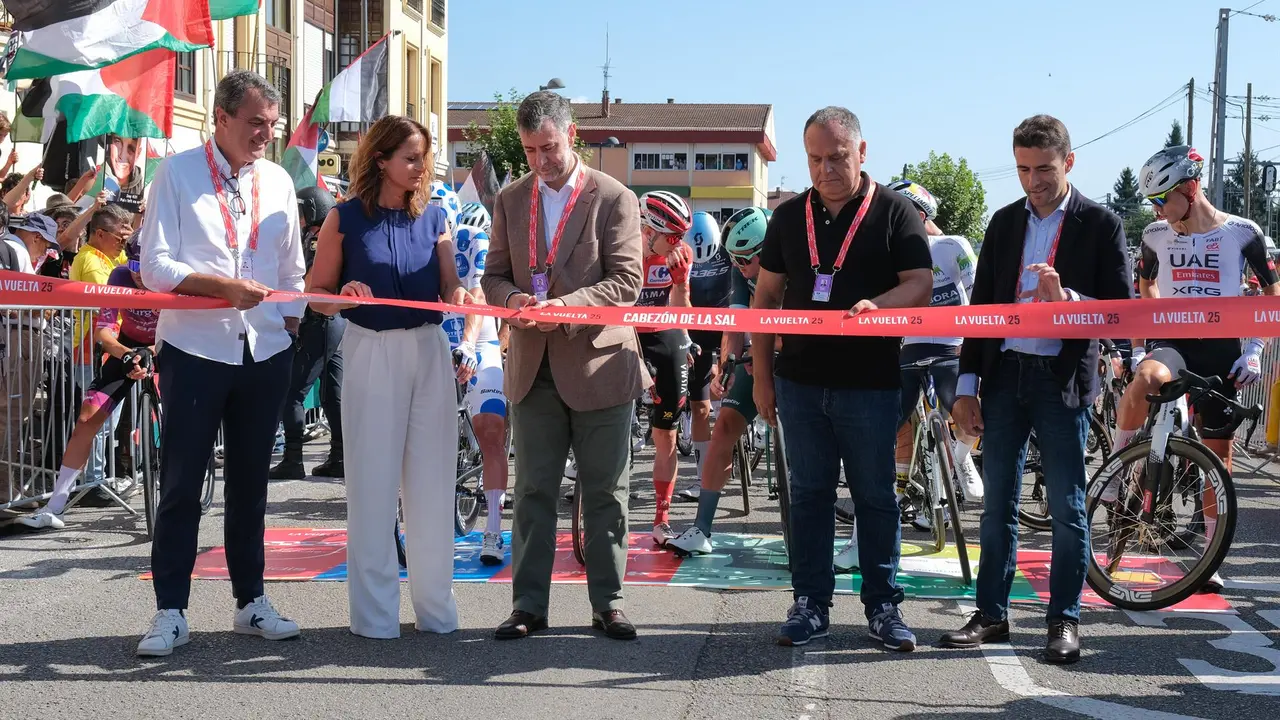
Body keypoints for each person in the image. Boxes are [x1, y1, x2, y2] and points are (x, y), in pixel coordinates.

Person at [943, 114, 1132, 664]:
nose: (1033, 181)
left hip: (1061, 383)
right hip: (1003, 379)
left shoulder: (1102, 224)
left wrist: (1065, 301)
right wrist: (967, 386)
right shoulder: (1003, 223)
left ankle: (1063, 621)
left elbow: (1120, 315)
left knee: (1070, 507)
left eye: (1043, 169)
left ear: (1069, 162)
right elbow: (981, 311)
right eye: (1023, 169)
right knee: (996, 504)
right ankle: (993, 615)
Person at [137, 70, 306, 657]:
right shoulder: (177, 172)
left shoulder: (280, 180)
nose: (266, 133)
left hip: (264, 353)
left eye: (272, 123)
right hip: (196, 351)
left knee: (251, 488)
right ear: (222, 118)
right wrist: (218, 288)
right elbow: (153, 266)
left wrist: (291, 325)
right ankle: (170, 611)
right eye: (256, 122)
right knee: (182, 484)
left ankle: (251, 602)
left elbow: (291, 272)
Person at [752, 106, 933, 649]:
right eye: (814, 159)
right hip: (799, 383)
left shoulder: (897, 212)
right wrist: (763, 379)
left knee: (875, 496)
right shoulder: (787, 218)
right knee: (807, 495)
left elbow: (920, 282)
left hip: (871, 384)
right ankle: (810, 602)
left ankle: (882, 605)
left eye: (836, 157)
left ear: (862, 152)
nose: (825, 169)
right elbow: (764, 299)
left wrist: (879, 307)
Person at [481, 90, 648, 641]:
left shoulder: (615, 197)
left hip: (600, 363)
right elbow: (495, 275)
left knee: (605, 490)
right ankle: (528, 604)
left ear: (571, 135)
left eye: (548, 147)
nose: (540, 161)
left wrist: (564, 309)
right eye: (530, 150)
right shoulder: (510, 200)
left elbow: (627, 281)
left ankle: (609, 602)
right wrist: (512, 304)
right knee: (533, 491)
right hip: (533, 365)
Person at [308, 114, 472, 639]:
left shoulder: (437, 218)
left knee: (431, 483)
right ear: (380, 159)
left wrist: (463, 298)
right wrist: (344, 294)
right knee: (372, 485)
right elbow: (316, 296)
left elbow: (450, 291)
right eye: (410, 157)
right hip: (369, 352)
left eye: (423, 157)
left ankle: (436, 611)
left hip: (429, 349)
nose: (420, 167)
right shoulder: (344, 218)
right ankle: (375, 619)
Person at [1111, 144, 1279, 592]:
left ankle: (1209, 556)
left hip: (1223, 350)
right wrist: (1143, 341)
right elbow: (1144, 286)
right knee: (1146, 378)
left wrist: (1255, 349)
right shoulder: (1154, 234)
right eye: (1152, 202)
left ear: (1190, 187)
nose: (1158, 209)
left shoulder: (1243, 231)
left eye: (1162, 199)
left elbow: (1270, 293)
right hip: (1174, 341)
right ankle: (1114, 471)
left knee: (1216, 461)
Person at [833, 180, 983, 572]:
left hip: (951, 347)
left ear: (919, 214)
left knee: (970, 414)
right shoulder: (891, 251)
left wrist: (975, 350)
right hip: (908, 350)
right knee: (877, 437)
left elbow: (977, 295)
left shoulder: (952, 245)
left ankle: (958, 461)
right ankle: (859, 541)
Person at [16, 234, 158, 529]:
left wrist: (151, 354)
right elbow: (104, 331)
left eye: (146, 266)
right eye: (134, 265)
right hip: (129, 346)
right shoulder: (120, 277)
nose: (140, 275)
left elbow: (183, 330)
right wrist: (127, 354)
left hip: (170, 343)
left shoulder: (173, 278)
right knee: (87, 417)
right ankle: (55, 507)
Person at [669, 206, 769, 555]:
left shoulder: (792, 264)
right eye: (735, 259)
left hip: (798, 353)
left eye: (746, 259)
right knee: (724, 424)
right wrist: (727, 366)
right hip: (758, 346)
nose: (740, 266)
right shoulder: (743, 274)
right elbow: (736, 322)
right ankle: (701, 528)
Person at [439, 206, 510, 565]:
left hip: (479, 342)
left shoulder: (469, 239)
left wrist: (467, 344)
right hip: (436, 339)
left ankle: (494, 530)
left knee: (490, 430)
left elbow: (478, 296)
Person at [269, 186, 345, 481]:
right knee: (332, 394)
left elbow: (311, 280)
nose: (298, 217)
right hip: (336, 320)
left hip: (319, 320)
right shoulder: (325, 234)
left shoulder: (317, 239)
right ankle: (339, 456)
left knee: (293, 392)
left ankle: (293, 458)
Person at [634, 190, 696, 546]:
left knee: (666, 434)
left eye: (681, 237)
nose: (677, 243)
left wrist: (679, 282)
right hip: (625, 334)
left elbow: (682, 308)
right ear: (646, 228)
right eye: (671, 235)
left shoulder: (680, 254)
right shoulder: (624, 245)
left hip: (663, 334)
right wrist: (641, 260)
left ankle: (661, 518)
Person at [68, 204, 133, 495]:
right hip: (91, 350)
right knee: (98, 418)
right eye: (119, 235)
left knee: (108, 419)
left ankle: (98, 478)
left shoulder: (108, 257)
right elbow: (110, 305)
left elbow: (130, 255)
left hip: (108, 350)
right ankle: (93, 483)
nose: (123, 241)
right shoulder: (92, 261)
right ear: (100, 234)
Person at [677, 211, 730, 502]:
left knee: (728, 406)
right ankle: (702, 478)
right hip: (695, 334)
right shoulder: (680, 253)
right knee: (699, 408)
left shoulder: (727, 253)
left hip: (727, 329)